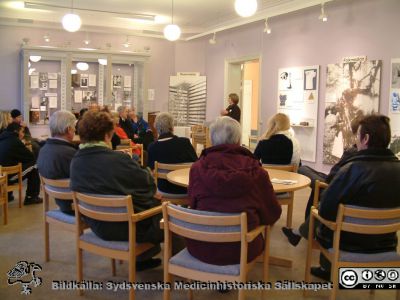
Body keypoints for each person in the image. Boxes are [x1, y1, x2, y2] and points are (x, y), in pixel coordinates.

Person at [305, 115, 399, 281]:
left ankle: (330, 271)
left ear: (366, 138)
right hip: (386, 244)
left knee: (324, 218)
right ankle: (375, 280)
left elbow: (326, 210)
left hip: (346, 243)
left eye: (357, 136)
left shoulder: (352, 169)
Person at [70, 111, 164, 271]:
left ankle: (142, 258)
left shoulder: (76, 161)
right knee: (173, 217)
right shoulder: (118, 159)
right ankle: (178, 272)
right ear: (107, 136)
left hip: (97, 225)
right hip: (127, 227)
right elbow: (147, 183)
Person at [187, 116, 282, 265]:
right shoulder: (258, 172)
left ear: (211, 140)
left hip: (202, 247)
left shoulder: (197, 169)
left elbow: (192, 205)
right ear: (238, 140)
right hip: (243, 249)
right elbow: (272, 213)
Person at [282, 117, 362, 246]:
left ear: (364, 137)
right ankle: (302, 232)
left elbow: (333, 177)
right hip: (336, 184)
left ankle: (303, 232)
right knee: (309, 174)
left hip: (331, 184)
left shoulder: (352, 153)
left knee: (312, 181)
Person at [37, 110, 77, 215]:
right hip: (75, 206)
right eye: (74, 127)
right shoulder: (69, 154)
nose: (75, 130)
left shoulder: (43, 149)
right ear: (69, 129)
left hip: (60, 200)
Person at [147, 112, 197, 195]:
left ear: (156, 127)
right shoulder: (185, 142)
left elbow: (151, 172)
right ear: (172, 127)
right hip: (185, 188)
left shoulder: (152, 147)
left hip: (164, 190)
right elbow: (196, 164)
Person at [0, 123, 42, 205]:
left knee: (12, 164)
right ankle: (31, 197)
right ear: (16, 131)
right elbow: (30, 157)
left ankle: (8, 195)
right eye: (22, 132)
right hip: (7, 176)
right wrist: (28, 149)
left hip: (1, 175)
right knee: (34, 165)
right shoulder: (15, 141)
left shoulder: (2, 138)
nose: (23, 134)